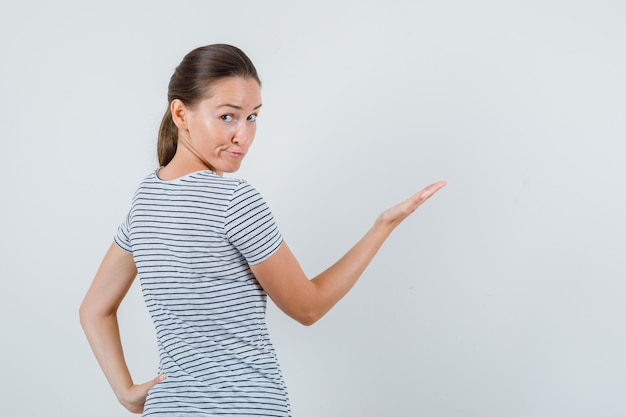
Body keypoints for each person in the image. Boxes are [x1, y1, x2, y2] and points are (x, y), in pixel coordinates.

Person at [79, 44, 447, 417]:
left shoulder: (145, 200)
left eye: (252, 117)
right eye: (227, 117)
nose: (243, 135)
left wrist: (125, 392)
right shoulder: (234, 202)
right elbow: (308, 307)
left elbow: (94, 308)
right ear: (181, 113)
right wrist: (382, 227)